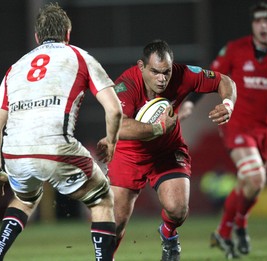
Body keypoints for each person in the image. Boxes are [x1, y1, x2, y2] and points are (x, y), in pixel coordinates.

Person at [0, 3, 122, 261]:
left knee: (25, 200)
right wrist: (111, 141)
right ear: (68, 34)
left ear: (37, 37)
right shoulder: (80, 57)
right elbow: (114, 110)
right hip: (56, 149)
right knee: (102, 199)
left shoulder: (16, 67)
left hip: (14, 153)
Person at [183, 2, 267, 259]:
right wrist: (190, 102)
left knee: (252, 184)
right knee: (255, 177)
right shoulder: (235, 50)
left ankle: (230, 229)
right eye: (259, 21)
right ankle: (233, 228)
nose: (263, 26)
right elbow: (209, 76)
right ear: (253, 25)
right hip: (236, 125)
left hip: (265, 131)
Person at [97, 39, 237, 261]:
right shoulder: (125, 85)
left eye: (166, 72)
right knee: (116, 222)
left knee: (178, 210)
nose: (162, 79)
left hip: (167, 151)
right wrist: (158, 127)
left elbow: (224, 81)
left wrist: (228, 103)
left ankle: (168, 234)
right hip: (129, 154)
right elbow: (119, 125)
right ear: (141, 67)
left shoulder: (183, 74)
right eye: (155, 72)